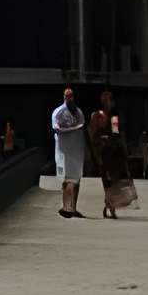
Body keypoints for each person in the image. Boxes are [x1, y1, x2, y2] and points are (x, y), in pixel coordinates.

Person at [96, 93, 139, 218]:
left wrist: (122, 147)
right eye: (108, 101)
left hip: (114, 152)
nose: (110, 103)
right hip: (106, 152)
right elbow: (97, 134)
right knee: (109, 181)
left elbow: (116, 133)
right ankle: (109, 206)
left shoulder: (112, 117)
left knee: (115, 180)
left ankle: (110, 207)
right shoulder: (99, 115)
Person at [52, 84, 87, 217]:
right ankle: (66, 207)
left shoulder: (78, 112)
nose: (69, 98)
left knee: (77, 178)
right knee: (66, 179)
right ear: (64, 97)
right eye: (67, 96)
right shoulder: (58, 112)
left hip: (76, 150)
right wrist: (73, 129)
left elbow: (82, 126)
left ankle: (73, 207)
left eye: (71, 96)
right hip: (64, 151)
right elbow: (57, 128)